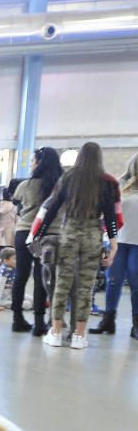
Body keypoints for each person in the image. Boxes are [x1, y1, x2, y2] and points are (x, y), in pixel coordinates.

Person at [32, 142, 120, 350]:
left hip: (69, 234)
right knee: (85, 287)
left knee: (62, 283)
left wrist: (39, 234)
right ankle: (79, 336)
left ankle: (55, 332)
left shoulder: (69, 178)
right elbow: (110, 216)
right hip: (93, 236)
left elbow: (52, 207)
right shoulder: (106, 182)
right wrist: (113, 244)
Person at [9, 147, 63, 334]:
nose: (31, 164)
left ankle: (17, 319)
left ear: (39, 163)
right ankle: (39, 323)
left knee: (21, 276)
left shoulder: (26, 185)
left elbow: (16, 202)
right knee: (42, 278)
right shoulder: (61, 186)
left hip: (25, 232)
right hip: (51, 235)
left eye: (33, 160)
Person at [91, 152, 138, 339]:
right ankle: (108, 320)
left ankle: (136, 325)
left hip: (136, 244)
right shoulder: (118, 184)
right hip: (116, 241)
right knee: (112, 280)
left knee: (136, 283)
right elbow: (107, 212)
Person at [0, 185, 17, 264]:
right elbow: (16, 219)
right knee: (8, 247)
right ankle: (7, 261)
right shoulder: (13, 206)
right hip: (9, 228)